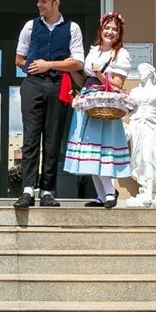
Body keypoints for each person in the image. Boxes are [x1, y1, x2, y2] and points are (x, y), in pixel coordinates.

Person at [14, 0, 85, 208]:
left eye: (44, 1)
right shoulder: (30, 26)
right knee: (31, 137)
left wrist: (49, 65)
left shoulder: (72, 28)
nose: (39, 5)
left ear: (56, 3)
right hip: (33, 85)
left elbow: (78, 61)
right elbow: (19, 59)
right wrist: (34, 69)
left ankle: (47, 191)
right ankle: (27, 190)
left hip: (57, 85)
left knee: (53, 139)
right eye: (39, 1)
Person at [64, 12, 132, 208]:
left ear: (119, 34)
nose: (110, 32)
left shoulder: (121, 54)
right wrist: (71, 70)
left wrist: (99, 74)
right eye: (107, 28)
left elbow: (117, 84)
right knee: (90, 149)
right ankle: (102, 196)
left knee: (100, 148)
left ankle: (110, 192)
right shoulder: (94, 51)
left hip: (105, 102)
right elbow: (85, 80)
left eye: (114, 30)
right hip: (89, 100)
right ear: (101, 29)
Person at [125, 63, 156, 207]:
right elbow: (129, 112)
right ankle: (146, 189)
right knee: (138, 159)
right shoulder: (135, 91)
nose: (140, 74)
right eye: (139, 71)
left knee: (149, 157)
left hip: (151, 127)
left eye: (143, 71)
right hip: (136, 127)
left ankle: (149, 192)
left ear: (150, 73)